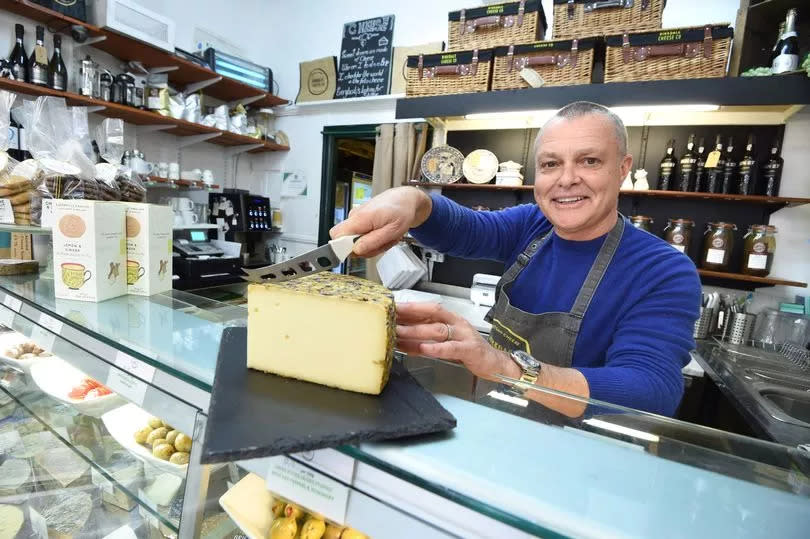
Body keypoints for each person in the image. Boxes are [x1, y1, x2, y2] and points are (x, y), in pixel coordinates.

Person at [330, 101, 701, 417]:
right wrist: (412, 201)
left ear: (622, 168)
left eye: (589, 161)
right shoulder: (533, 225)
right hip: (506, 422)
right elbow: (465, 229)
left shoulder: (662, 270)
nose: (567, 179)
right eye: (551, 164)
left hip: (590, 455)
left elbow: (651, 388)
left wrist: (504, 366)